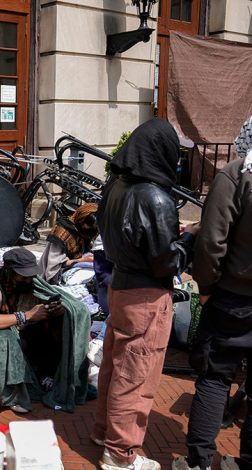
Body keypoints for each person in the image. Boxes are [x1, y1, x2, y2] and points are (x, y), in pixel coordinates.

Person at [92, 118, 200, 470]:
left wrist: (171, 234)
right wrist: (189, 240)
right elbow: (166, 263)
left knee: (115, 363)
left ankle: (104, 432)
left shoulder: (116, 185)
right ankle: (121, 454)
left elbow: (128, 235)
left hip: (120, 285)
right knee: (136, 374)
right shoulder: (156, 197)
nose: (178, 160)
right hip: (146, 295)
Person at [172, 117, 252, 470]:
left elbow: (211, 244)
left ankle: (198, 462)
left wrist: (204, 289)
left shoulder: (236, 176)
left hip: (233, 297)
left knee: (215, 376)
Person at [0, 248, 91, 414]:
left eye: (30, 274)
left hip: (25, 337)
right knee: (3, 336)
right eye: (23, 275)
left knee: (58, 323)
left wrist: (56, 312)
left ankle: (48, 374)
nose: (28, 279)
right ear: (10, 273)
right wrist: (26, 316)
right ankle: (14, 392)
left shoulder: (30, 284)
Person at [39, 202, 99, 284]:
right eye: (86, 225)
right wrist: (84, 259)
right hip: (59, 272)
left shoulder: (86, 231)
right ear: (81, 218)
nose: (87, 228)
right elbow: (54, 266)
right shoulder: (62, 233)